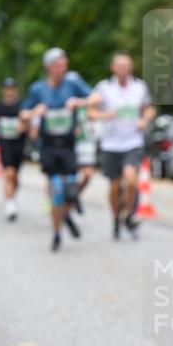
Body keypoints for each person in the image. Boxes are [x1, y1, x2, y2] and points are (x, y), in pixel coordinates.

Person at [22, 47, 92, 252]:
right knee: (57, 190)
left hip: (68, 143)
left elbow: (97, 97)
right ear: (49, 67)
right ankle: (57, 233)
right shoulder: (38, 89)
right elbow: (23, 114)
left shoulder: (72, 84)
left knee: (71, 186)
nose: (64, 67)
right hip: (49, 145)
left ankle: (67, 214)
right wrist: (35, 111)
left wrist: (79, 102)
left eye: (65, 64)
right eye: (60, 64)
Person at [88, 52, 156, 240]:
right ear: (113, 69)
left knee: (131, 180)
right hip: (110, 144)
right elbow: (90, 113)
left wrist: (144, 120)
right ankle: (116, 217)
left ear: (131, 68)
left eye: (126, 66)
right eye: (119, 66)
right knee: (114, 187)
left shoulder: (139, 87)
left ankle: (127, 214)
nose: (123, 70)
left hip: (132, 142)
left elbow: (149, 108)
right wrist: (105, 116)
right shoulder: (104, 88)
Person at [0, 78, 28, 222]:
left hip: (19, 144)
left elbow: (28, 121)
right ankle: (9, 204)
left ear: (15, 90)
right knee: (8, 174)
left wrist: (25, 126)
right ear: (3, 91)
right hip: (5, 144)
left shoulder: (21, 105)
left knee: (16, 177)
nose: (10, 91)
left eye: (12, 88)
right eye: (7, 88)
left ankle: (12, 198)